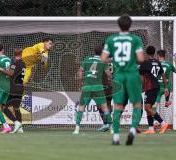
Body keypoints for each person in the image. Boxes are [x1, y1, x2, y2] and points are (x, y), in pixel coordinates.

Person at [103, 14, 144, 145]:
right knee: (137, 104)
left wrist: (114, 58)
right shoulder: (135, 39)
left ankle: (115, 137)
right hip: (132, 74)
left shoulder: (111, 39)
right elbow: (141, 59)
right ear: (130, 25)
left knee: (118, 106)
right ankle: (132, 129)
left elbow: (103, 59)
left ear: (118, 25)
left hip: (118, 76)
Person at [73, 45, 112, 135]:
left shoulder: (87, 59)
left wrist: (80, 81)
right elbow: (108, 74)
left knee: (81, 108)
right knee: (105, 108)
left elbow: (80, 71)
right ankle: (112, 129)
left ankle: (76, 129)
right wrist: (110, 79)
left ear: (94, 52)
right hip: (98, 87)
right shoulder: (103, 61)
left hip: (87, 87)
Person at [139, 46, 170, 134]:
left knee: (147, 108)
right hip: (156, 87)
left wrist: (141, 88)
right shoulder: (158, 62)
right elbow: (163, 75)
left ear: (146, 53)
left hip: (150, 87)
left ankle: (163, 123)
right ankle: (151, 128)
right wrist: (166, 87)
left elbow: (142, 79)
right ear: (154, 53)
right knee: (148, 108)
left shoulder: (145, 63)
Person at [0, 48, 25, 133]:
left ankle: (16, 123)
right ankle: (20, 128)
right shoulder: (23, 63)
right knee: (16, 108)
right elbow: (15, 74)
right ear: (21, 54)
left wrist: (0, 69)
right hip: (20, 88)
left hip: (13, 88)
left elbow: (11, 73)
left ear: (14, 54)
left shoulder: (15, 63)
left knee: (3, 107)